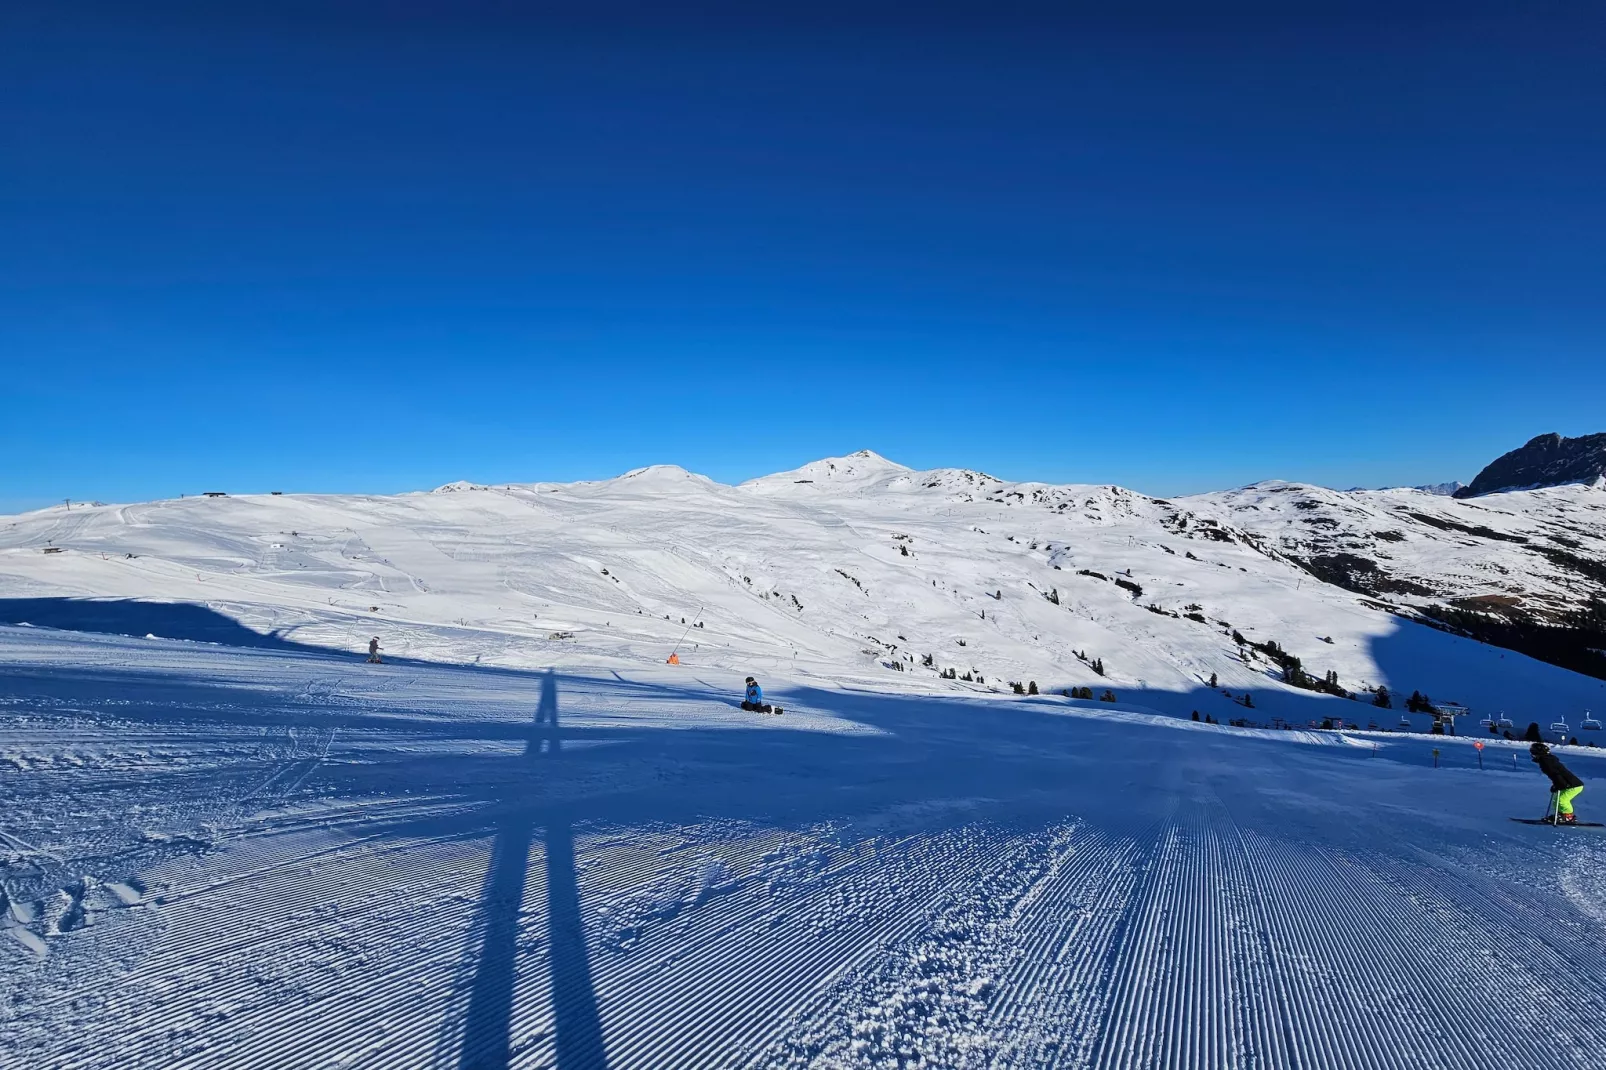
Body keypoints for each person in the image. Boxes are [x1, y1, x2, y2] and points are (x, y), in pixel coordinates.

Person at [1531, 742, 1584, 823]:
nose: (1533, 755)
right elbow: (1555, 775)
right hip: (1567, 783)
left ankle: (1568, 816)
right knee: (1556, 800)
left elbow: (1556, 774)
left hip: (1573, 785)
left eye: (1534, 753)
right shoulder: (1546, 760)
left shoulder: (1546, 762)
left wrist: (1559, 784)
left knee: (1562, 800)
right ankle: (1561, 815)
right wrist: (1556, 784)